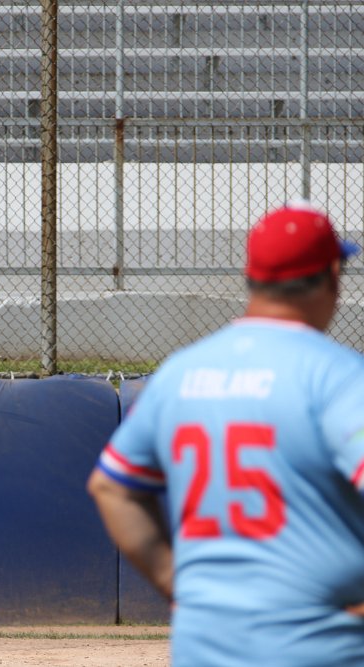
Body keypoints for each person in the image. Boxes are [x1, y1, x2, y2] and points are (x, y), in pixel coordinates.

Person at [87, 200, 364, 666]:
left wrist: (179, 585)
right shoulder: (338, 377)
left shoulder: (181, 374)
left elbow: (112, 486)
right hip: (318, 646)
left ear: (249, 276)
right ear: (332, 276)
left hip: (205, 644)